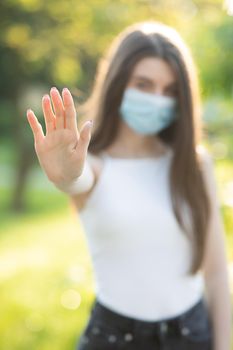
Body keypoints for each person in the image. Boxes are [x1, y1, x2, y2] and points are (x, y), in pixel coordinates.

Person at [26, 21, 232, 350]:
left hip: (194, 335)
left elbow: (217, 273)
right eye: (143, 84)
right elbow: (75, 180)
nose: (157, 99)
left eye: (169, 90)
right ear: (118, 83)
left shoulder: (195, 165)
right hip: (114, 339)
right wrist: (63, 173)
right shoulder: (93, 165)